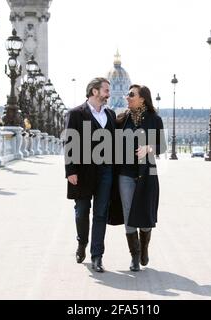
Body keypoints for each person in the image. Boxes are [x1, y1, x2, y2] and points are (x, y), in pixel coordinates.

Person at [64, 77, 116, 273]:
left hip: (105, 172)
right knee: (81, 212)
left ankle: (97, 256)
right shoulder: (76, 114)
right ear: (94, 91)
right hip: (83, 172)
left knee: (101, 213)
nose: (108, 93)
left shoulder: (110, 114)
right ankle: (82, 242)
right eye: (105, 90)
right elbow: (69, 143)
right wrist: (70, 171)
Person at [114, 84, 166, 271]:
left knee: (144, 214)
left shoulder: (155, 119)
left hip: (147, 174)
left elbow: (162, 146)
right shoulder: (122, 119)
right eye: (128, 94)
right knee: (129, 214)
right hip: (125, 174)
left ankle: (144, 247)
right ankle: (134, 256)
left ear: (142, 98)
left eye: (131, 95)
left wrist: (149, 148)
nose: (127, 97)